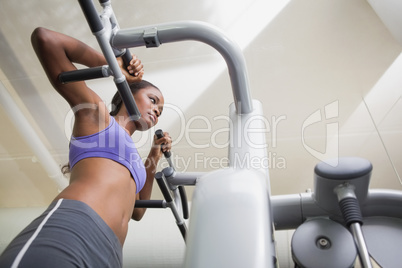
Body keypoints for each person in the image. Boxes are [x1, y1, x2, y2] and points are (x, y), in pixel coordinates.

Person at [0, 27, 171, 267]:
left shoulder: (134, 161)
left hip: (111, 253)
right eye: (153, 100)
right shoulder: (97, 116)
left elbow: (137, 211)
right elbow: (46, 39)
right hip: (76, 225)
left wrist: (154, 155)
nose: (156, 110)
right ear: (127, 95)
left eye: (160, 110)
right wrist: (114, 67)